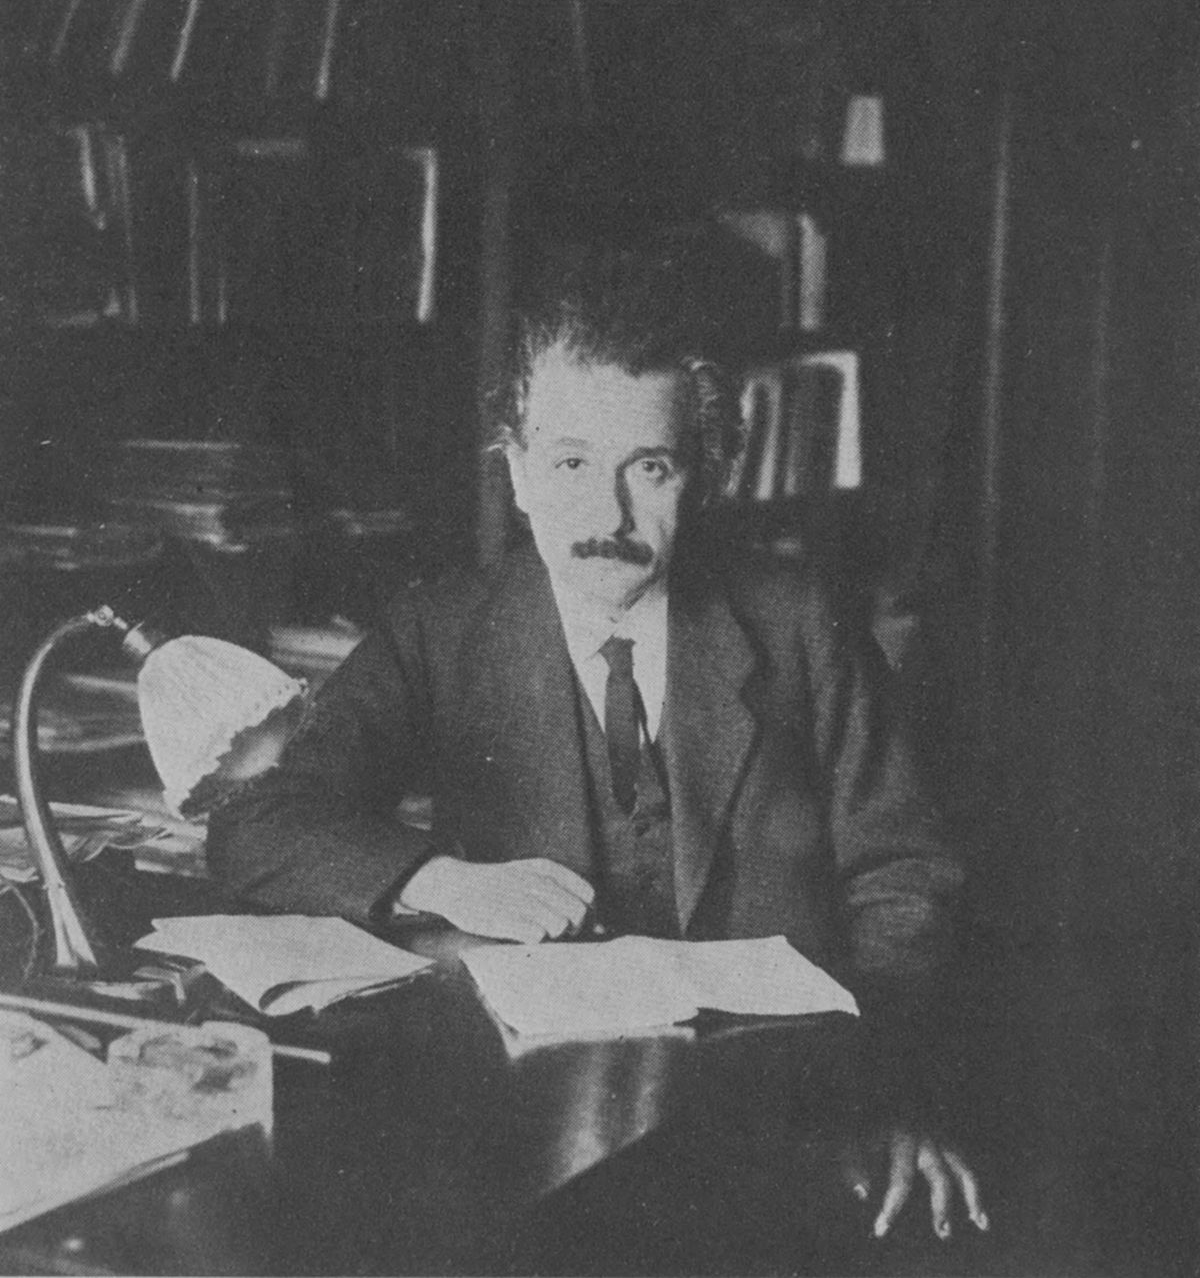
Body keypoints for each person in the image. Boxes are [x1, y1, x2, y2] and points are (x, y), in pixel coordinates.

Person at [207, 245, 986, 1245]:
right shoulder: (441, 631)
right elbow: (256, 823)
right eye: (571, 463)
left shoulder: (800, 625)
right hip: (542, 1133)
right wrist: (440, 879)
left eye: (647, 468)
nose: (606, 517)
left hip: (782, 1124)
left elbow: (905, 880)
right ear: (519, 474)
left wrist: (885, 1098)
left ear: (703, 477)